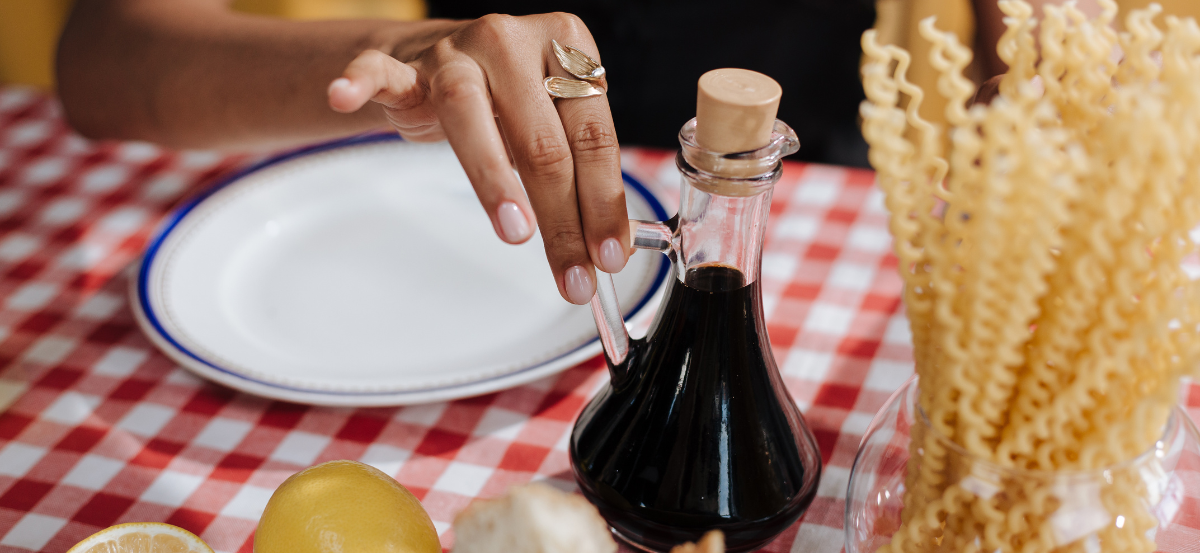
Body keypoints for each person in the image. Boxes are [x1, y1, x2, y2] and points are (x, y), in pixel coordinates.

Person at [55, 0, 1098, 305]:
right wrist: (409, 58)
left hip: (818, 216)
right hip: (466, 206)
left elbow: (1050, 47)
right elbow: (101, 57)